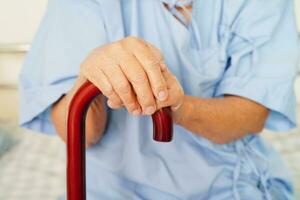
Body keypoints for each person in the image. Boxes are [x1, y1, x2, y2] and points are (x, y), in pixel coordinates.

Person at [19, 0, 299, 199]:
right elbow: (83, 134)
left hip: (226, 185)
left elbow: (250, 115)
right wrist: (90, 79)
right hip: (111, 189)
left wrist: (178, 106)